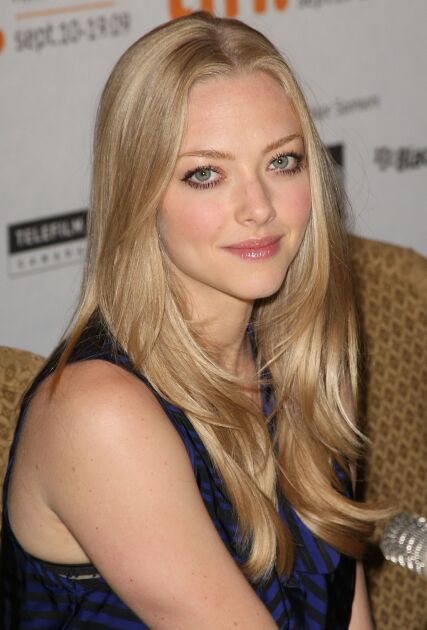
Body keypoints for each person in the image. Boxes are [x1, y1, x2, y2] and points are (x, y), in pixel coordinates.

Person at [1, 11, 385, 629]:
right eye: (205, 174)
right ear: (140, 196)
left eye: (282, 162)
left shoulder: (304, 363)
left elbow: (346, 609)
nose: (258, 207)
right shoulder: (100, 416)